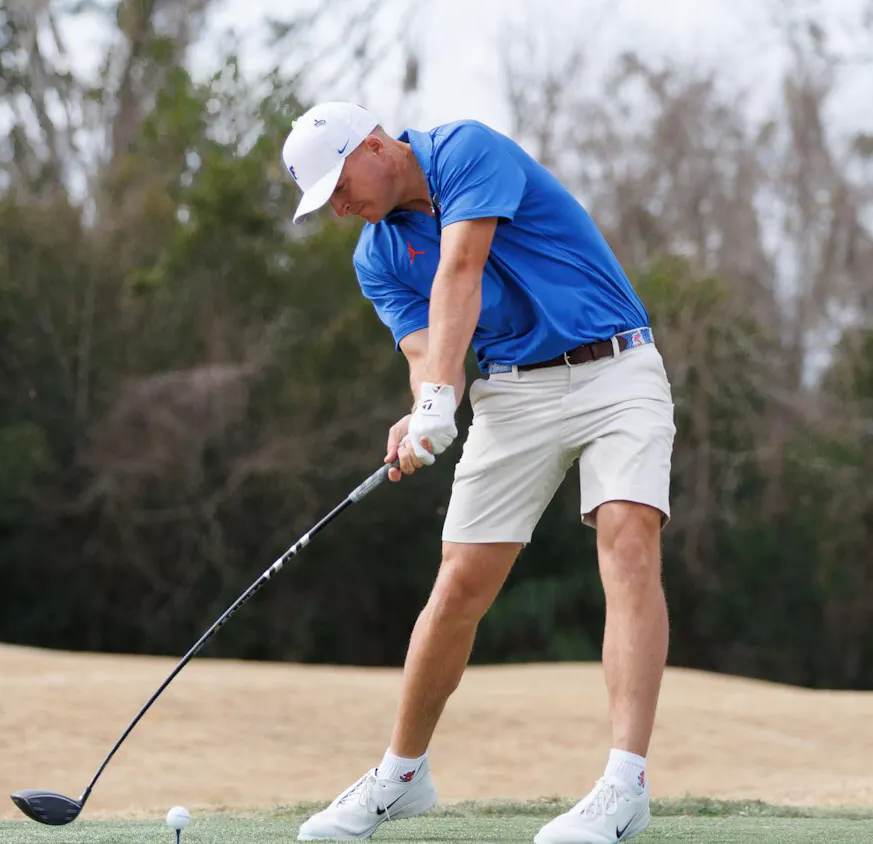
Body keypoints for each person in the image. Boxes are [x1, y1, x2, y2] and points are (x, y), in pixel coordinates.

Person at [280, 101, 675, 844]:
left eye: (339, 186)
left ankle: (624, 786)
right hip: (512, 395)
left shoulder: (463, 149)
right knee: (459, 584)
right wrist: (424, 413)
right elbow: (429, 354)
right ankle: (401, 777)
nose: (339, 209)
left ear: (373, 145)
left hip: (614, 368)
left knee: (628, 541)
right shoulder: (376, 257)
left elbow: (461, 268)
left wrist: (436, 397)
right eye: (326, 201)